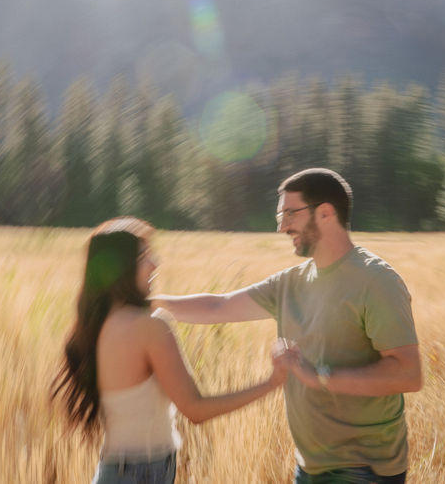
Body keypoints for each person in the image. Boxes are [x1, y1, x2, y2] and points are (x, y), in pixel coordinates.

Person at [153, 168, 422, 484]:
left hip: (363, 469)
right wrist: (145, 302)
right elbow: (218, 305)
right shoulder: (290, 283)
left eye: (290, 214)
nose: (281, 227)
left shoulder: (376, 281)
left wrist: (319, 376)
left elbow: (408, 373)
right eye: (280, 216)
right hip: (309, 466)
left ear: (325, 213)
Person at [51, 216, 288, 484]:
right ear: (121, 269)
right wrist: (272, 383)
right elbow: (195, 410)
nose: (155, 263)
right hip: (142, 473)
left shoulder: (94, 324)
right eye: (143, 256)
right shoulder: (149, 326)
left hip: (116, 470)